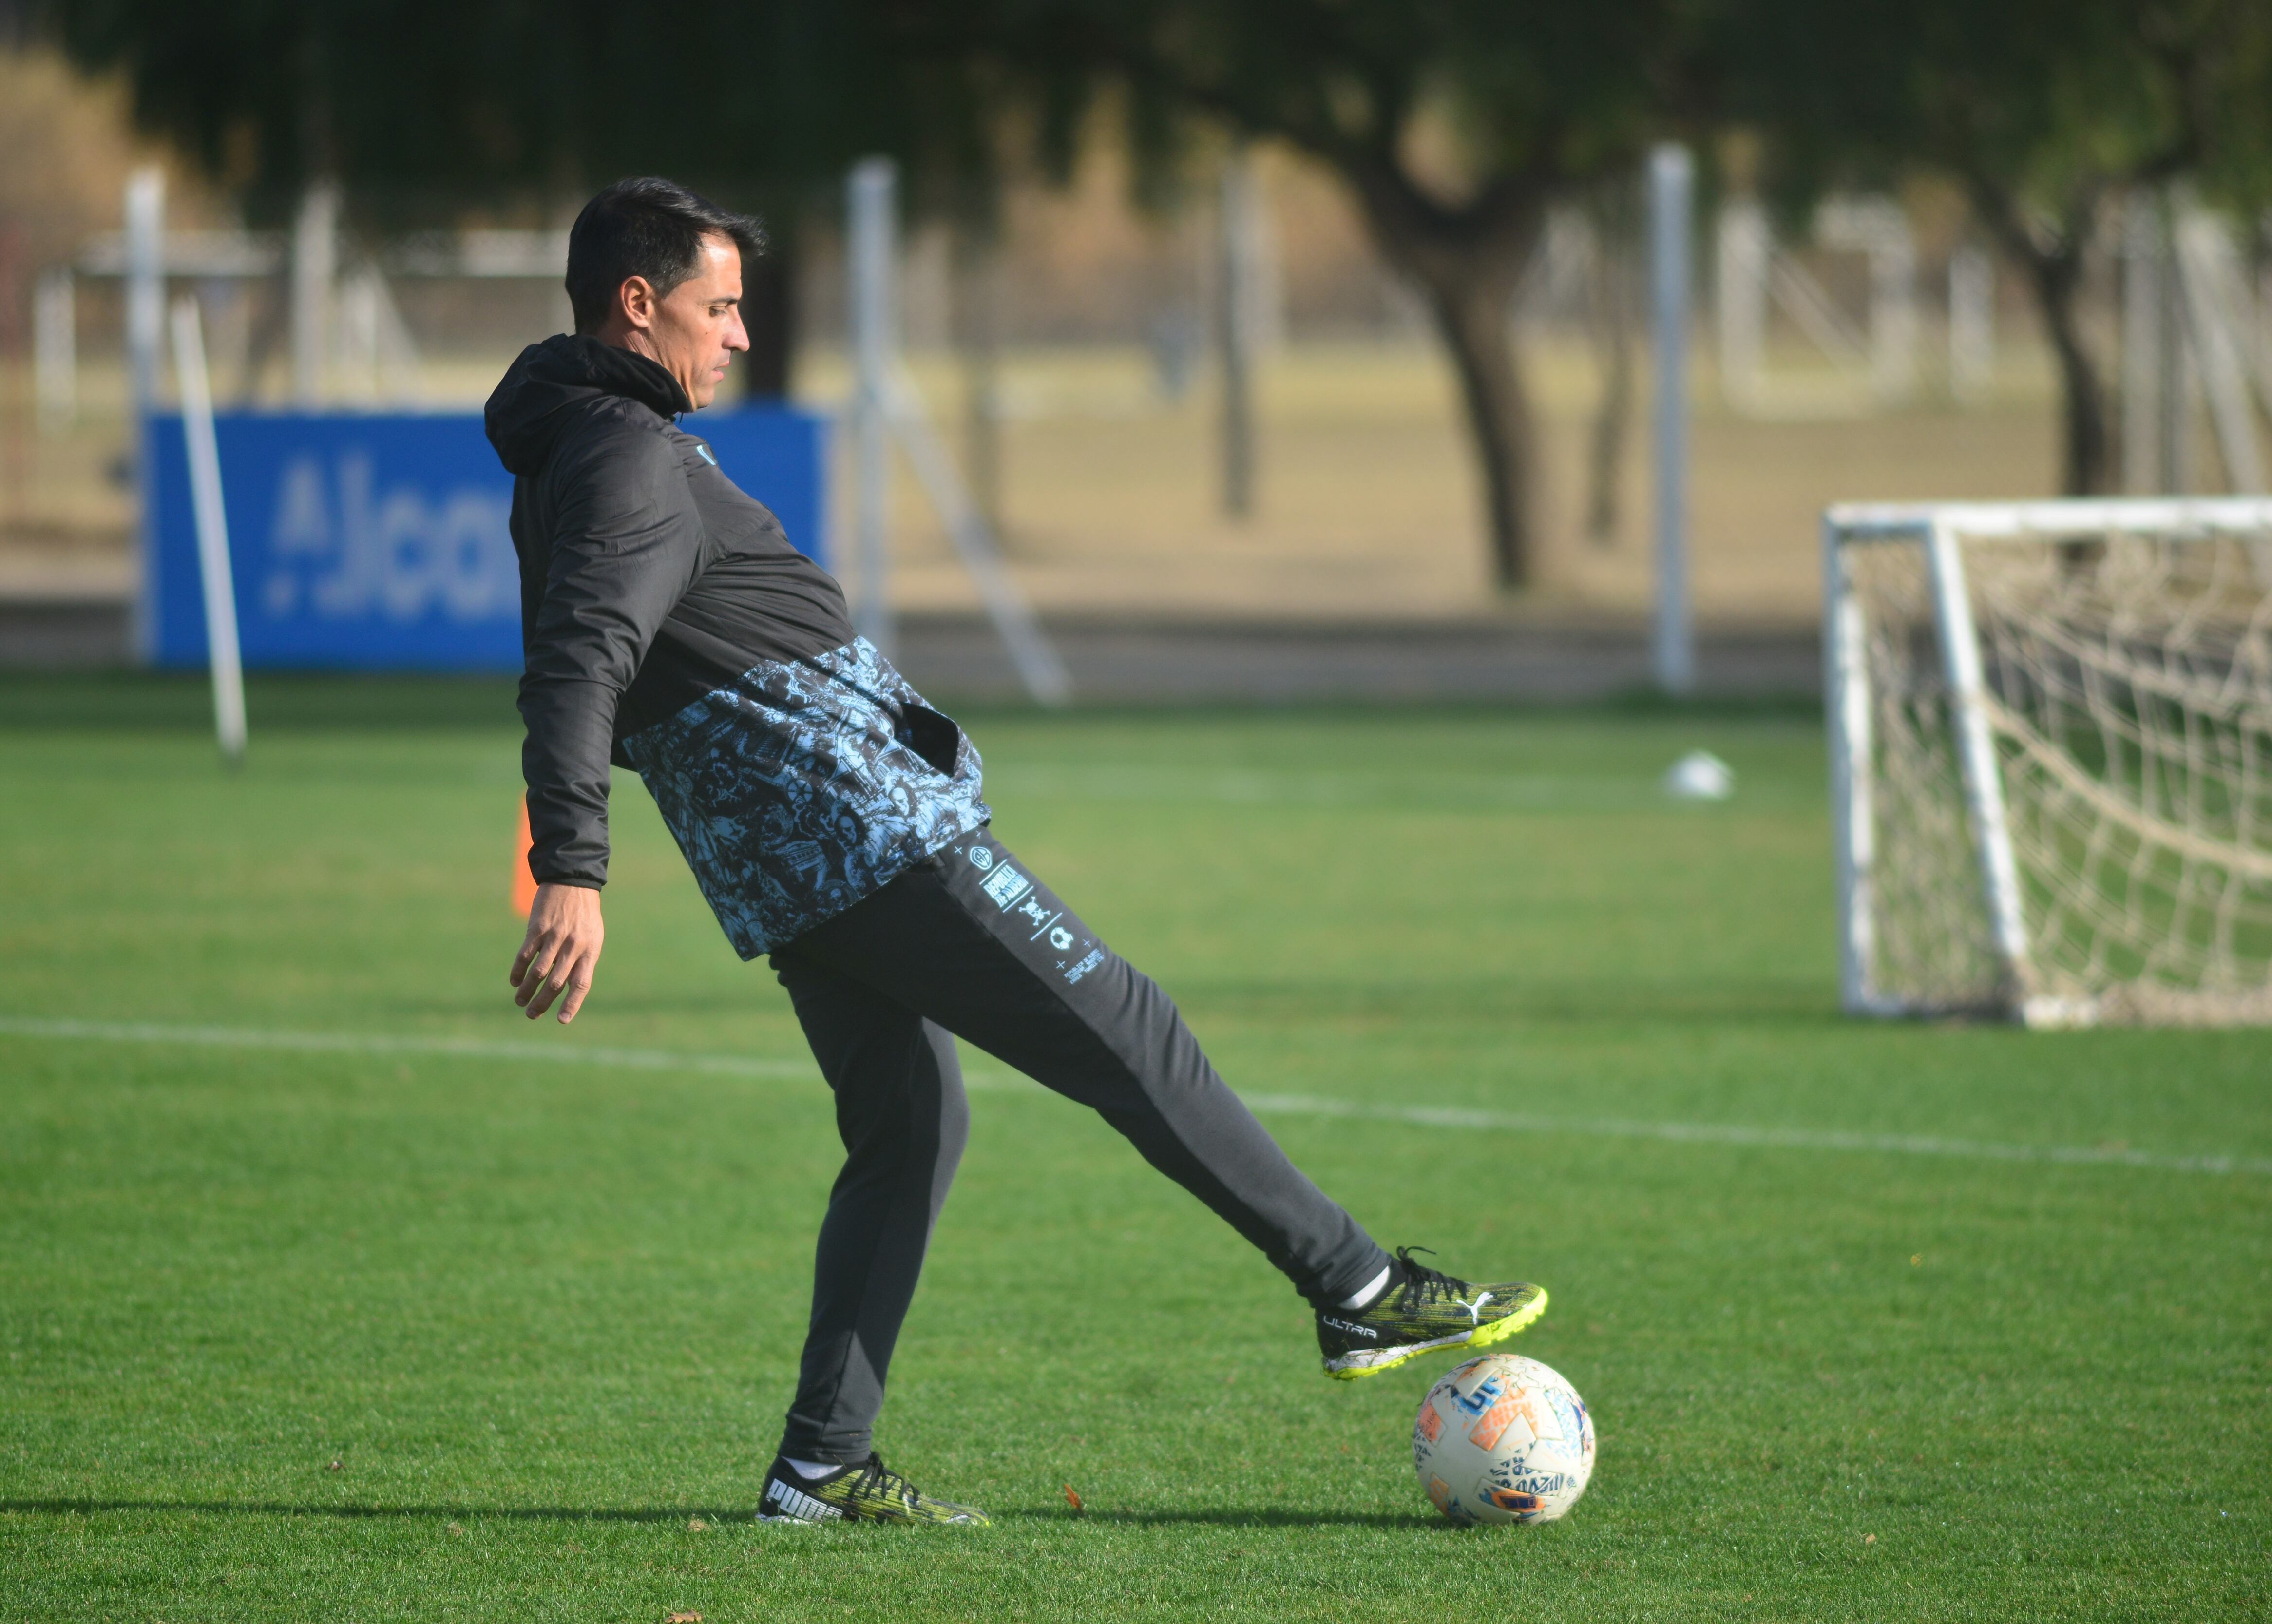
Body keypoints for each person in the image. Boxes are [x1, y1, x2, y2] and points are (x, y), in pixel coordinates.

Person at [484, 177, 1548, 1528]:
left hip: (803, 859)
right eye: (719, 308)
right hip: (866, 842)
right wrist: (574, 866)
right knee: (1128, 1028)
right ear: (638, 306)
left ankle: (820, 1467)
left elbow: (613, 669)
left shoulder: (584, 447)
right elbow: (582, 662)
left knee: (913, 1128)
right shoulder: (627, 458)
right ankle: (1352, 1288)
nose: (739, 337)